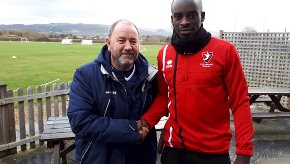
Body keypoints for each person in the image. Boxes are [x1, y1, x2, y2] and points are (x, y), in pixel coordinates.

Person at [140, 0, 254, 163]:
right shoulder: (164, 54)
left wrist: (244, 151)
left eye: (192, 15)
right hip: (174, 150)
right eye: (178, 17)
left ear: (202, 16)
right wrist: (147, 120)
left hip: (213, 152)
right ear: (172, 19)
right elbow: (164, 97)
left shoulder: (226, 51)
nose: (184, 21)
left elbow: (240, 102)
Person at [67, 19, 158, 164]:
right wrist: (131, 130)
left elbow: (163, 102)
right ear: (108, 43)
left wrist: (148, 121)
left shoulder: (151, 76)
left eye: (133, 41)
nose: (128, 47)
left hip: (141, 157)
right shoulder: (85, 75)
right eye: (121, 40)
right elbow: (80, 121)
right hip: (99, 159)